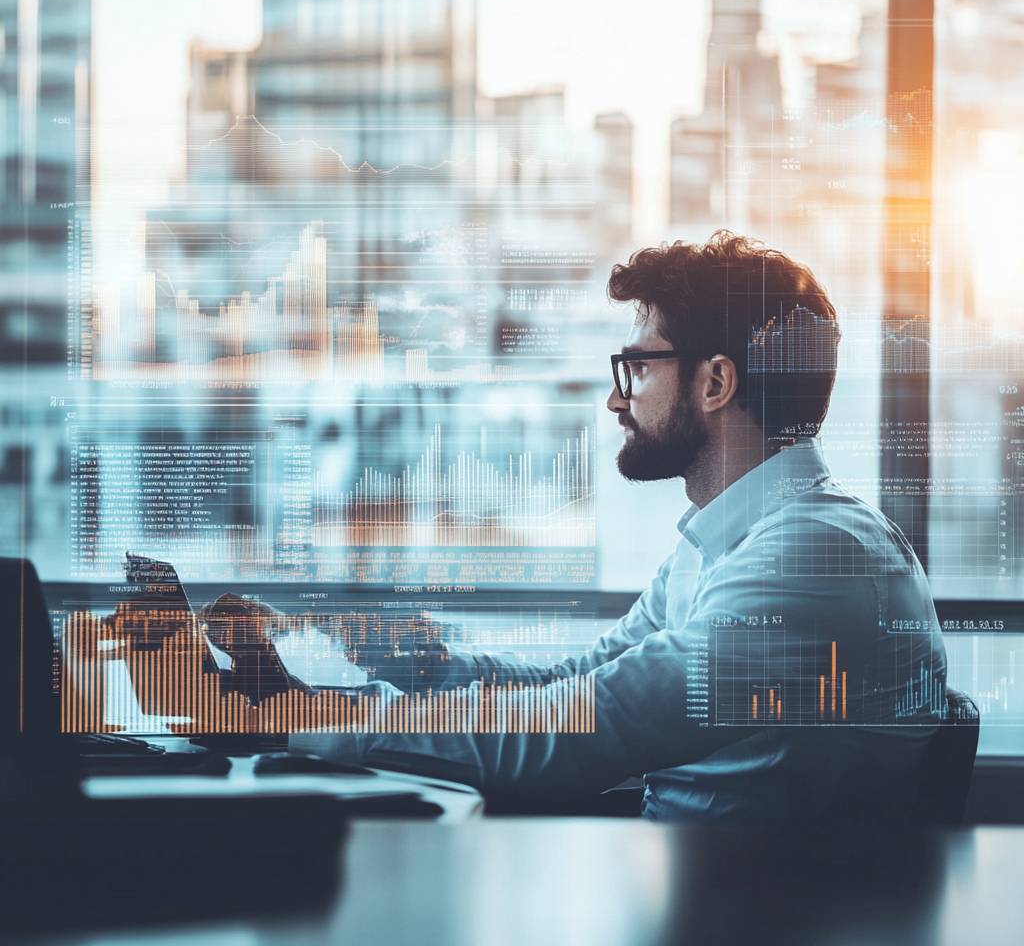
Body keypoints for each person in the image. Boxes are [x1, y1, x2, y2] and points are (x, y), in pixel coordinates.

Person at [206, 231, 947, 823]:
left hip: (750, 914)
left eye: (638, 369)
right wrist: (393, 651)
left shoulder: (814, 562)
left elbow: (577, 730)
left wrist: (301, 716)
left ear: (716, 382)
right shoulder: (728, 544)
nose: (617, 401)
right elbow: (577, 683)